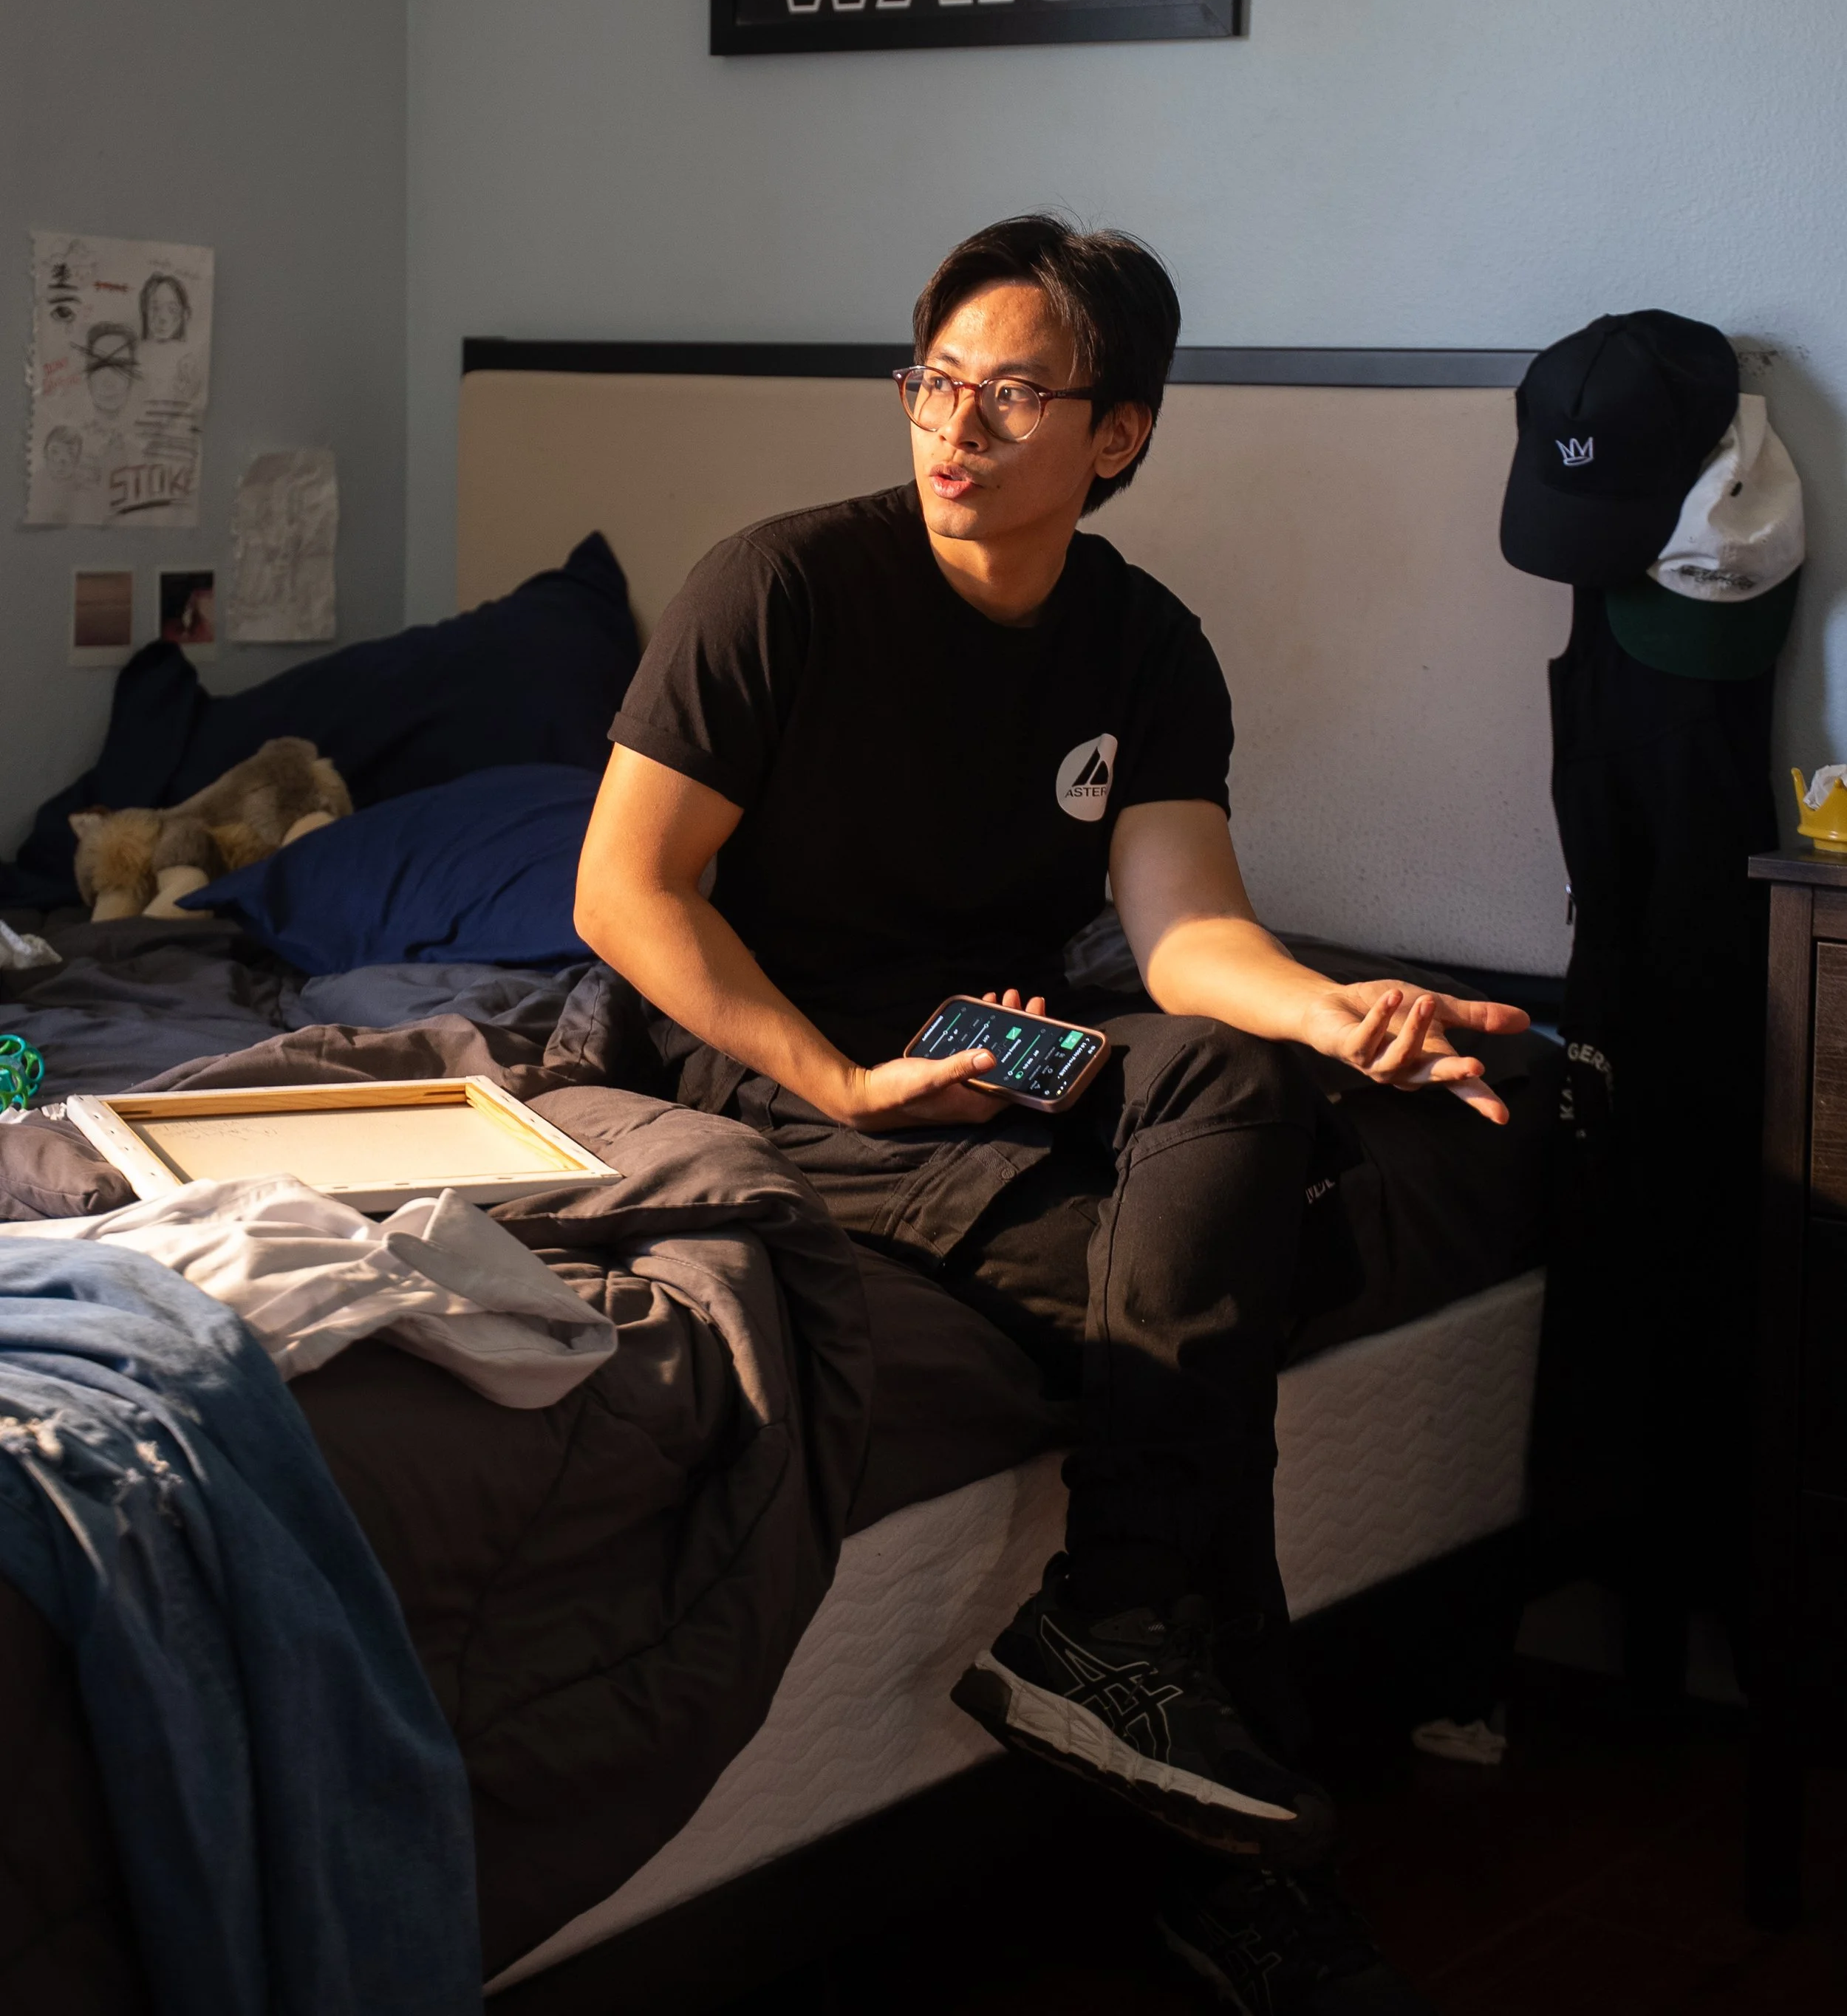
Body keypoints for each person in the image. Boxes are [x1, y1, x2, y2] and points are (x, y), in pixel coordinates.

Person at [575, 216, 1526, 2012]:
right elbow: (625, 895)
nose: (957, 426)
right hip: (779, 1065)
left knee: (1239, 1076)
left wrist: (1344, 1014)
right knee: (1206, 1303)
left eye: (1013, 394)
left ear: (1119, 435)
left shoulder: (1142, 643)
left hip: (984, 1040)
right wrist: (848, 1081)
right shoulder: (775, 587)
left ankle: (1116, 1605)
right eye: (936, 381)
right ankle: (1237, 1852)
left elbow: (1187, 934)